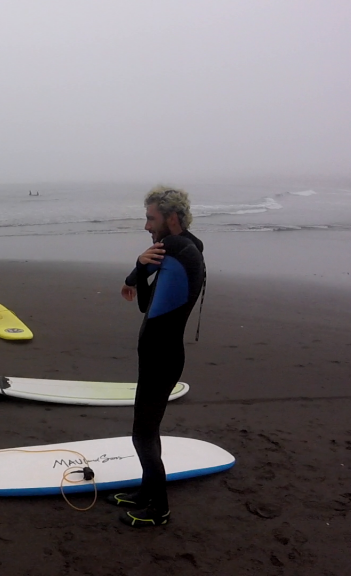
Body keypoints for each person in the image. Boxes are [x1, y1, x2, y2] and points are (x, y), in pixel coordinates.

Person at [110, 186, 205, 528]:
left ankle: (159, 508)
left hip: (162, 356)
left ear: (172, 218)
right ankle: (146, 492)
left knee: (143, 433)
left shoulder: (180, 247)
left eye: (152, 218)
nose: (147, 226)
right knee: (146, 429)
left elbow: (141, 271)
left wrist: (135, 269)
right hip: (157, 354)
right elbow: (143, 305)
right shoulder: (186, 248)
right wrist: (139, 272)